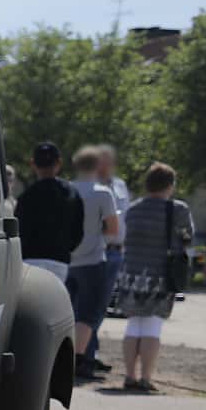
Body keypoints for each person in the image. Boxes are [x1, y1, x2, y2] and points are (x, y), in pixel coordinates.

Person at [113, 161, 194, 393]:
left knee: (133, 326)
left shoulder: (133, 209)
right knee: (152, 327)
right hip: (159, 275)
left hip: (130, 275)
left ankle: (129, 375)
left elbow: (123, 238)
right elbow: (188, 239)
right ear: (169, 185)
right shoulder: (177, 209)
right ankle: (146, 378)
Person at [67, 146, 121, 381]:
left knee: (68, 310)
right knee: (88, 313)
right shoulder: (102, 193)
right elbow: (113, 228)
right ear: (97, 165)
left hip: (67, 258)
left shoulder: (66, 189)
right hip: (93, 258)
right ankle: (79, 359)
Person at [13, 142, 83, 285]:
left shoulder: (27, 195)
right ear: (59, 163)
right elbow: (78, 232)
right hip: (59, 260)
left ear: (33, 164)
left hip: (29, 261)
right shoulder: (71, 193)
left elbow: (18, 230)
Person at [89, 144, 130, 367]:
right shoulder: (89, 187)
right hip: (97, 252)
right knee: (89, 304)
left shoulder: (121, 186)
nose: (105, 165)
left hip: (117, 253)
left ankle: (91, 352)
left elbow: (127, 219)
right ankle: (86, 354)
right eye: (100, 160)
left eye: (108, 160)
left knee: (102, 304)